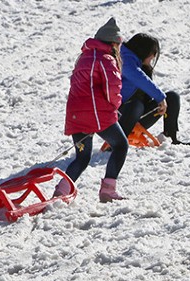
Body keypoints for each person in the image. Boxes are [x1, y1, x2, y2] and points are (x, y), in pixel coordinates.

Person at [54, 17, 129, 203]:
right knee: (121, 145)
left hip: (75, 114)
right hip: (97, 114)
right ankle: (108, 190)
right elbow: (113, 89)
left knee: (82, 157)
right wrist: (115, 107)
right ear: (113, 43)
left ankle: (60, 193)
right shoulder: (106, 59)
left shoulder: (84, 58)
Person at [117, 33, 190, 146]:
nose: (154, 56)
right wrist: (159, 97)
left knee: (172, 97)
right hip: (121, 118)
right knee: (136, 104)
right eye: (152, 52)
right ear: (143, 51)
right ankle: (118, 142)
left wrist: (162, 100)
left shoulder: (139, 64)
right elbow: (138, 77)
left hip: (138, 117)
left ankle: (171, 137)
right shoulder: (125, 61)